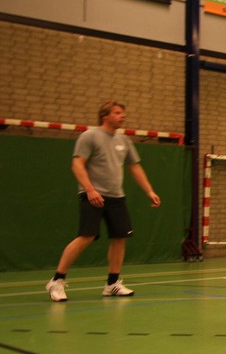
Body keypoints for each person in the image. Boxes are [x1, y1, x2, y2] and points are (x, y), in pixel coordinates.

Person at [45, 101, 161, 302]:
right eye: (117, 113)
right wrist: (90, 190)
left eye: (123, 113)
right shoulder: (89, 136)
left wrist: (149, 191)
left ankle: (112, 284)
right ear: (105, 116)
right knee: (86, 236)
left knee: (120, 238)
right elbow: (77, 164)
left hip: (117, 197)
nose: (122, 116)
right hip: (93, 195)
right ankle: (57, 280)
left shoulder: (124, 140)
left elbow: (134, 167)